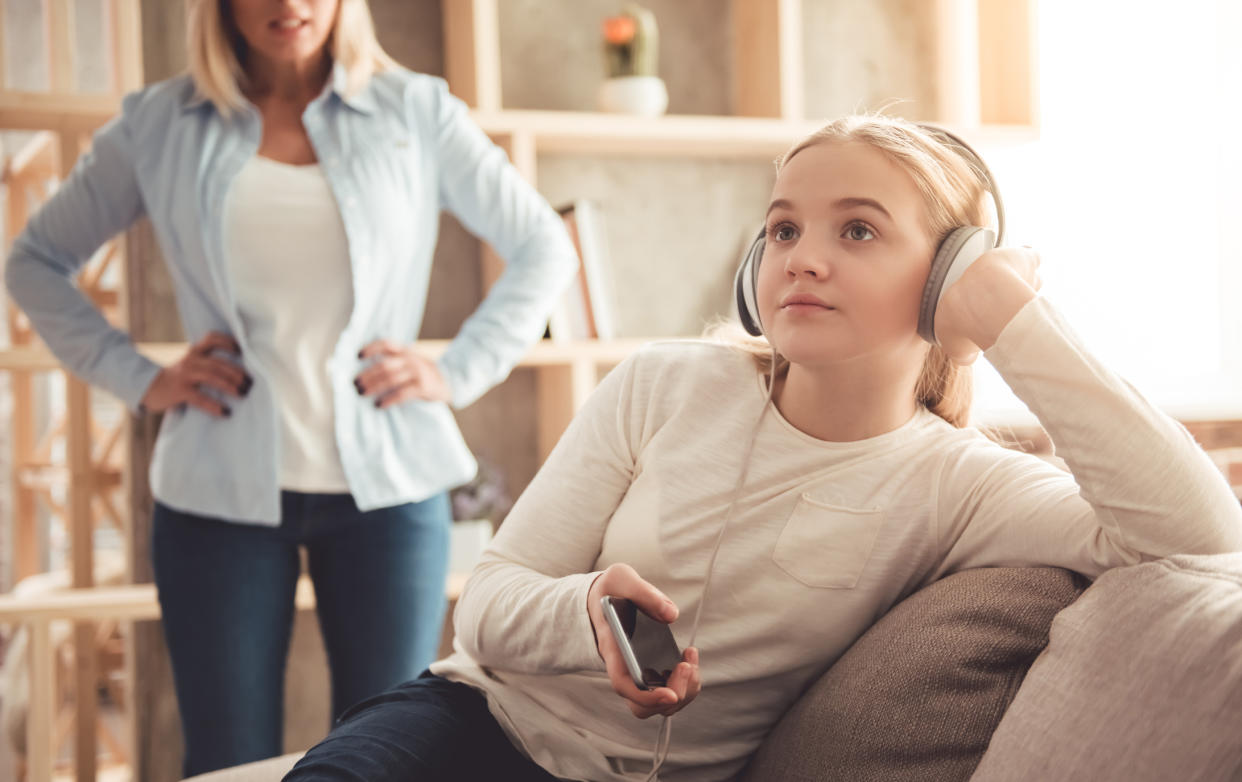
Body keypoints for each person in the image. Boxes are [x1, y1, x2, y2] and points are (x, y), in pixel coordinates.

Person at [282, 113, 1242, 782]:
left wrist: (1014, 321)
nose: (802, 257)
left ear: (947, 275)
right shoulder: (667, 382)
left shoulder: (961, 486)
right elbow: (490, 607)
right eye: (783, 227)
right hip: (471, 726)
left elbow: (1203, 534)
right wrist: (587, 618)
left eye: (857, 228)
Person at [4, 0, 578, 776]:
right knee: (228, 760)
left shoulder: (416, 110)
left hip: (389, 495)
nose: (289, 5)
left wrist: (456, 369)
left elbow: (544, 245)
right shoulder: (160, 123)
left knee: (386, 756)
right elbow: (34, 261)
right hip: (216, 497)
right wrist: (141, 379)